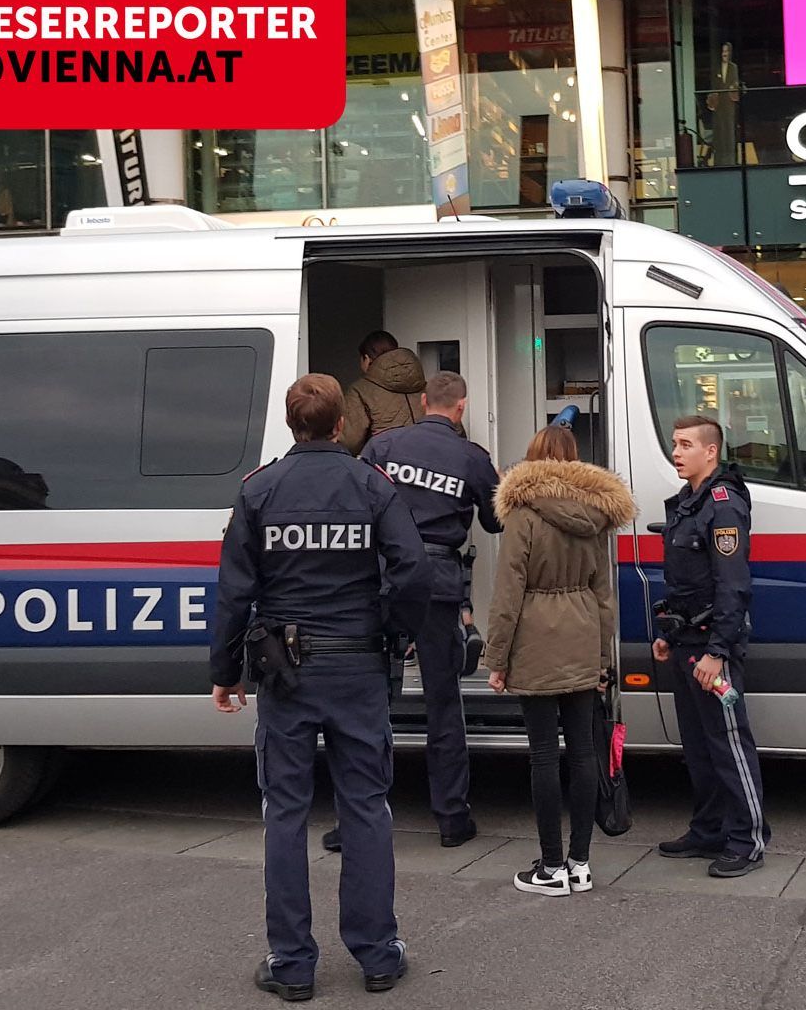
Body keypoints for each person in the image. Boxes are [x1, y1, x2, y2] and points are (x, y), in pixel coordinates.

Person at [210, 373, 431, 1001]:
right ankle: (378, 955)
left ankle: (293, 964)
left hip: (286, 673)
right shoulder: (372, 485)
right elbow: (413, 569)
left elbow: (234, 592)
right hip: (359, 668)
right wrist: (395, 629)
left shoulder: (259, 490)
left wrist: (225, 672)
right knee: (366, 808)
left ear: (292, 424)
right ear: (341, 425)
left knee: (284, 813)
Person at [336, 370, 501, 853]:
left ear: (424, 400)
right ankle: (452, 819)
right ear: (461, 407)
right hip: (437, 585)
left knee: (370, 704)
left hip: (383, 580)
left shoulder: (383, 447)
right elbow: (494, 522)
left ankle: (355, 824)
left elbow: (352, 503)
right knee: (443, 703)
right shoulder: (472, 458)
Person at [483, 425, 634, 897]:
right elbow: (604, 595)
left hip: (536, 639)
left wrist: (497, 657)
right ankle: (581, 863)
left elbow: (508, 593)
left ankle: (550, 867)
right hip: (583, 633)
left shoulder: (524, 515)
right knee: (585, 753)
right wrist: (602, 655)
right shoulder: (595, 515)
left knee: (545, 756)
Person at [653, 415, 770, 878]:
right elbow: (685, 582)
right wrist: (666, 633)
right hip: (686, 641)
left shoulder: (723, 505)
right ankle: (709, 830)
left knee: (728, 745)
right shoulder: (688, 502)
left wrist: (717, 651)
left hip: (711, 647)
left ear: (710, 452)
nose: (676, 452)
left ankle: (747, 840)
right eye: (675, 444)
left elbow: (732, 585)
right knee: (699, 747)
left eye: (685, 445)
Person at [342, 331, 427, 456]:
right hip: (428, 466)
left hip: (384, 467)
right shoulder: (427, 386)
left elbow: (350, 443)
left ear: (366, 358)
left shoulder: (360, 391)